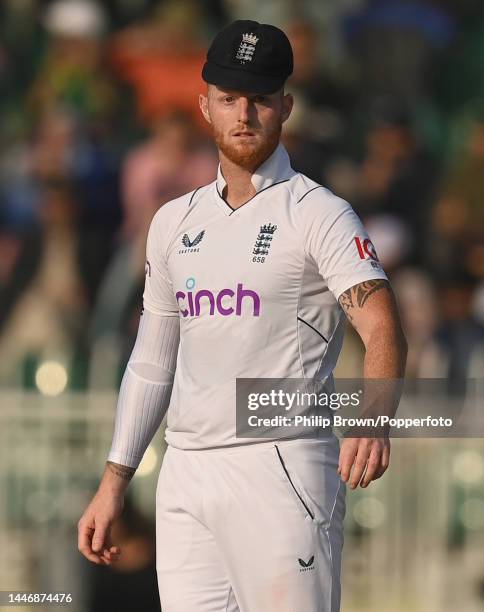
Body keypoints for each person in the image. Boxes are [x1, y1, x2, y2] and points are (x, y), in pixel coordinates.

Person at [78, 20, 407, 612]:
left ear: (286, 106)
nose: (244, 115)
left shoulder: (319, 213)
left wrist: (374, 416)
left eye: (259, 99)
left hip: (281, 463)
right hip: (186, 475)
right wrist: (114, 481)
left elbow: (381, 324)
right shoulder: (173, 222)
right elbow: (153, 359)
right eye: (229, 99)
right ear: (205, 106)